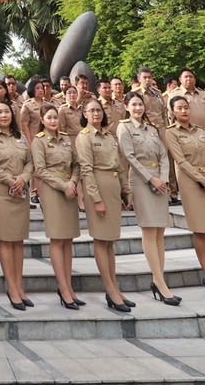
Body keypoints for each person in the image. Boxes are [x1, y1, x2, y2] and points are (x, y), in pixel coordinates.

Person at [163, 95, 205, 301]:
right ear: (172, 111)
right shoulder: (171, 132)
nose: (184, 111)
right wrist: (202, 180)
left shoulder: (202, 131)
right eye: (179, 108)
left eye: (186, 107)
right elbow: (181, 161)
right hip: (191, 184)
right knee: (200, 231)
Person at [117, 92, 177, 304]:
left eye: (140, 104)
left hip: (160, 180)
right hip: (142, 181)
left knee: (160, 231)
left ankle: (159, 279)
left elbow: (163, 155)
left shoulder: (151, 129)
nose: (137, 108)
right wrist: (151, 179)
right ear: (126, 106)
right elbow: (129, 157)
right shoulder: (124, 128)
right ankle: (160, 282)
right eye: (133, 104)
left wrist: (163, 178)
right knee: (150, 230)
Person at [75, 98, 134, 313]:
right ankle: (109, 289)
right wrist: (96, 198)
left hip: (113, 186)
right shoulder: (84, 137)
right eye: (91, 111)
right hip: (98, 187)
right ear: (85, 114)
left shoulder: (109, 136)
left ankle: (115, 287)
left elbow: (120, 165)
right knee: (101, 240)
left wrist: (126, 190)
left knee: (110, 241)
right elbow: (86, 169)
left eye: (98, 110)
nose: (96, 113)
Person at [0, 99, 33, 310]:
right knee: (6, 239)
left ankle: (20, 285)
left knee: (18, 240)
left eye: (7, 112)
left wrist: (23, 178)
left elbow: (30, 162)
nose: (4, 115)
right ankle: (11, 287)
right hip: (1, 192)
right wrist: (11, 180)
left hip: (20, 192)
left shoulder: (20, 137)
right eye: (0, 112)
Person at [31, 104, 83, 309]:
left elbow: (77, 164)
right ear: (42, 120)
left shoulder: (66, 139)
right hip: (53, 190)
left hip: (70, 188)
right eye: (49, 118)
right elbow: (40, 170)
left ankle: (69, 287)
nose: (53, 121)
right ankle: (63, 288)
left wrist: (73, 182)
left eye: (55, 117)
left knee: (68, 239)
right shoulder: (39, 141)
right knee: (58, 239)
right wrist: (63, 185)